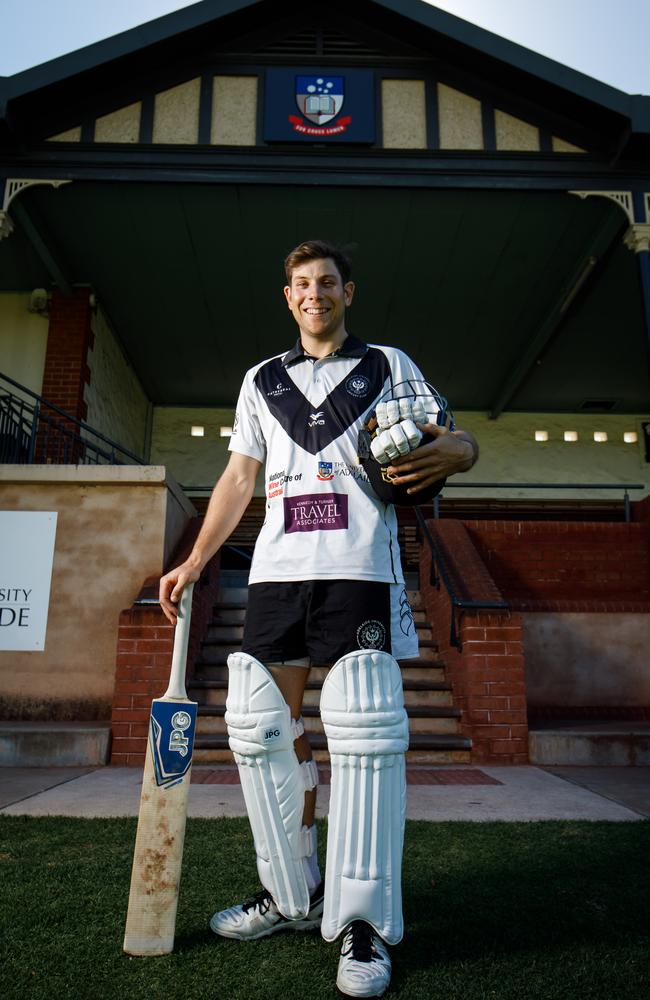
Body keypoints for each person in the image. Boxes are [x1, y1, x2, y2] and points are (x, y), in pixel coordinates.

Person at [159, 240, 478, 997]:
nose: (314, 294)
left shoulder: (389, 365)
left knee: (363, 734)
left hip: (359, 567)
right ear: (287, 296)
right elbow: (241, 477)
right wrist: (197, 560)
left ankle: (361, 923)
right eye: (301, 284)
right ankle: (293, 895)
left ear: (347, 292)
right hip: (277, 574)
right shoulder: (261, 380)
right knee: (264, 731)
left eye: (326, 283)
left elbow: (451, 436)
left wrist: (461, 455)